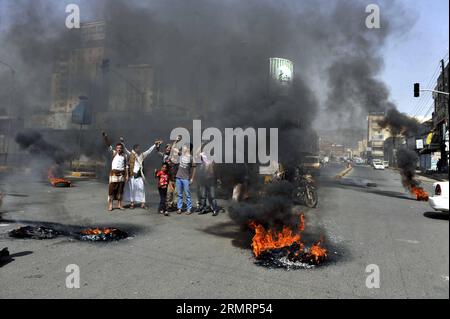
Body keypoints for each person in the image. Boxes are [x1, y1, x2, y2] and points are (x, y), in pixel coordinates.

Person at [122, 138, 162, 209]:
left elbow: (149, 151)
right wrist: (122, 142)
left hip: (140, 175)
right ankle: (132, 203)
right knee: (132, 189)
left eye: (139, 148)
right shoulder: (131, 154)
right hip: (132, 175)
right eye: (137, 148)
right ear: (134, 149)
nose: (139, 149)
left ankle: (143, 203)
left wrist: (154, 145)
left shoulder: (142, 155)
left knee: (141, 189)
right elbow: (125, 149)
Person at [102, 132, 129, 211]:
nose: (119, 149)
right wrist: (105, 137)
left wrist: (127, 175)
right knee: (111, 190)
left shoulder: (125, 156)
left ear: (122, 148)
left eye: (120, 148)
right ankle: (110, 205)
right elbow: (108, 144)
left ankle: (119, 205)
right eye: (118, 148)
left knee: (120, 190)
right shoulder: (114, 153)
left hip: (121, 174)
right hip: (113, 174)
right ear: (116, 149)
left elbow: (126, 166)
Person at [158, 136, 182, 211]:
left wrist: (176, 141)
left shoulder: (179, 158)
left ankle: (175, 205)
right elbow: (158, 152)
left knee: (176, 194)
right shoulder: (168, 158)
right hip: (169, 178)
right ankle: (168, 205)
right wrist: (175, 141)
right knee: (169, 193)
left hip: (177, 178)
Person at [196, 150, 219, 216]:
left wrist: (218, 179)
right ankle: (204, 209)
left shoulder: (213, 161)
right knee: (203, 196)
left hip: (211, 181)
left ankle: (215, 210)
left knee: (212, 196)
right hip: (203, 181)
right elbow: (197, 155)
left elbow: (216, 171)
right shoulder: (202, 160)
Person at [176, 143, 196, 215]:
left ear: (188, 148)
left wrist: (192, 178)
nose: (183, 148)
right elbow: (173, 149)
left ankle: (189, 209)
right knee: (179, 194)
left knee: (187, 194)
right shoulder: (181, 154)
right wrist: (176, 141)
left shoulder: (191, 158)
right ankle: (179, 208)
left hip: (186, 178)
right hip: (178, 177)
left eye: (184, 147)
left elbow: (194, 168)